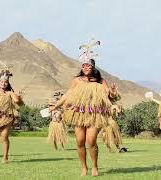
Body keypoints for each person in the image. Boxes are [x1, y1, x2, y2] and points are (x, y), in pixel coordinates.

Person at [50, 40, 117, 176]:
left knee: (91, 141)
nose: (86, 67)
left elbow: (108, 97)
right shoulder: (77, 80)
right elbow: (67, 94)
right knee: (80, 142)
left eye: (88, 65)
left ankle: (95, 167)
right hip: (78, 114)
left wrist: (112, 92)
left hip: (94, 115)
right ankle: (84, 167)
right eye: (84, 65)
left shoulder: (100, 81)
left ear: (93, 67)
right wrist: (56, 106)